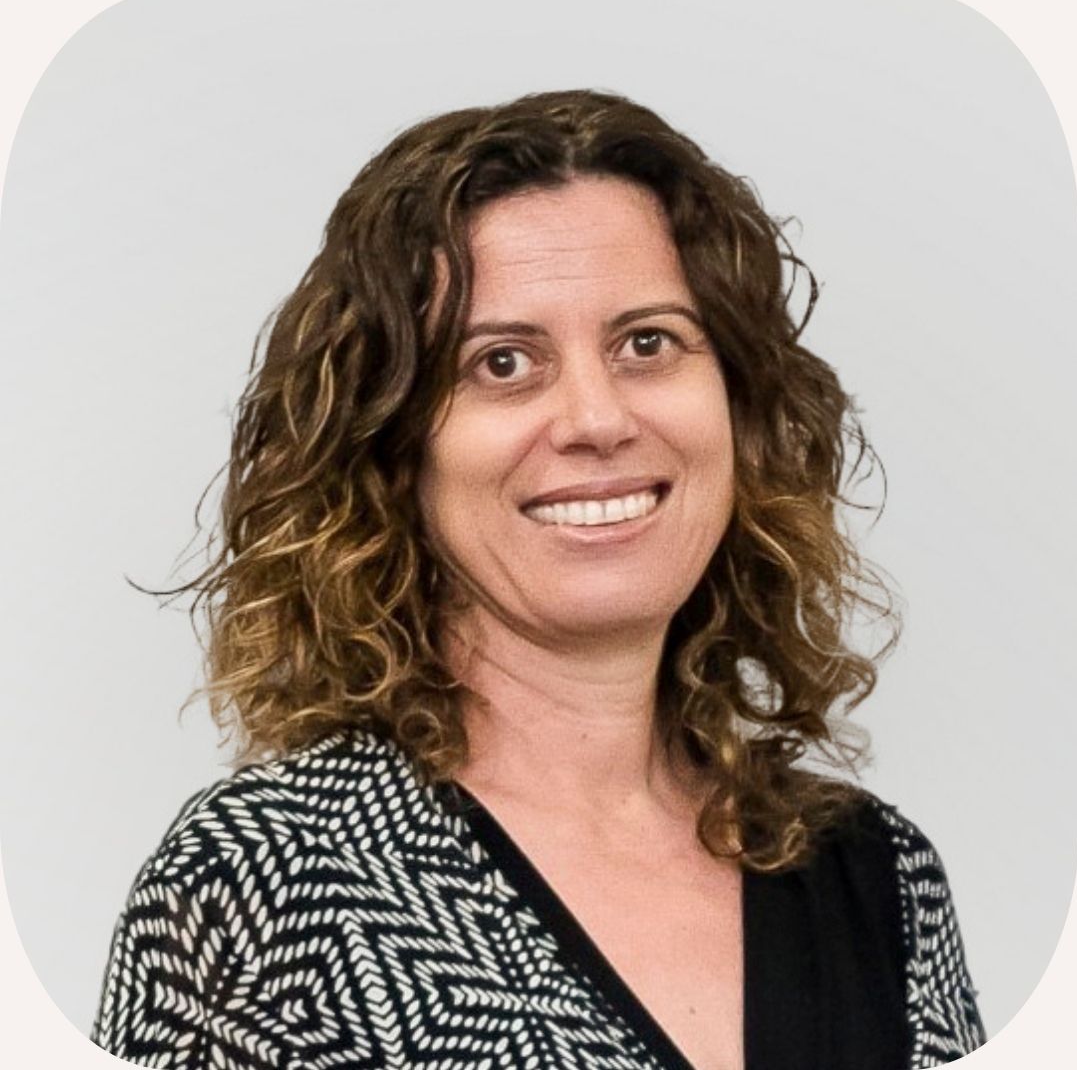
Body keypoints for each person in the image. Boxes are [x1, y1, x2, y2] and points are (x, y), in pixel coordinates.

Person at [90, 89, 985, 1070]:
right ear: (394, 451)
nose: (596, 419)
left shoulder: (879, 877)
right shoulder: (260, 889)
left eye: (648, 342)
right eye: (503, 362)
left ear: (738, 409)